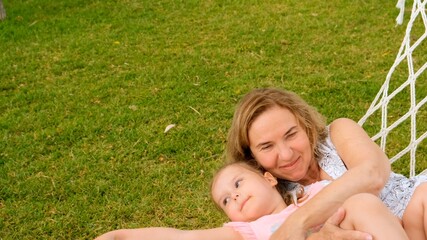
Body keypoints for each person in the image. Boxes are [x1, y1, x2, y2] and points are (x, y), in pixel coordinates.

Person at [226, 87, 427, 240]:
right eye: (267, 147)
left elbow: (372, 174)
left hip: (414, 214)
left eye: (291, 134)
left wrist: (298, 222)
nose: (286, 155)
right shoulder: (267, 198)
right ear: (252, 157)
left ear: (306, 126)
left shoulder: (337, 134)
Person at [94, 162, 408, 240]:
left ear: (269, 178)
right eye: (226, 200)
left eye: (238, 183)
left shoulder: (314, 192)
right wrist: (122, 235)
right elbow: (185, 237)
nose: (236, 196)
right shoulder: (249, 231)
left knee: (362, 203)